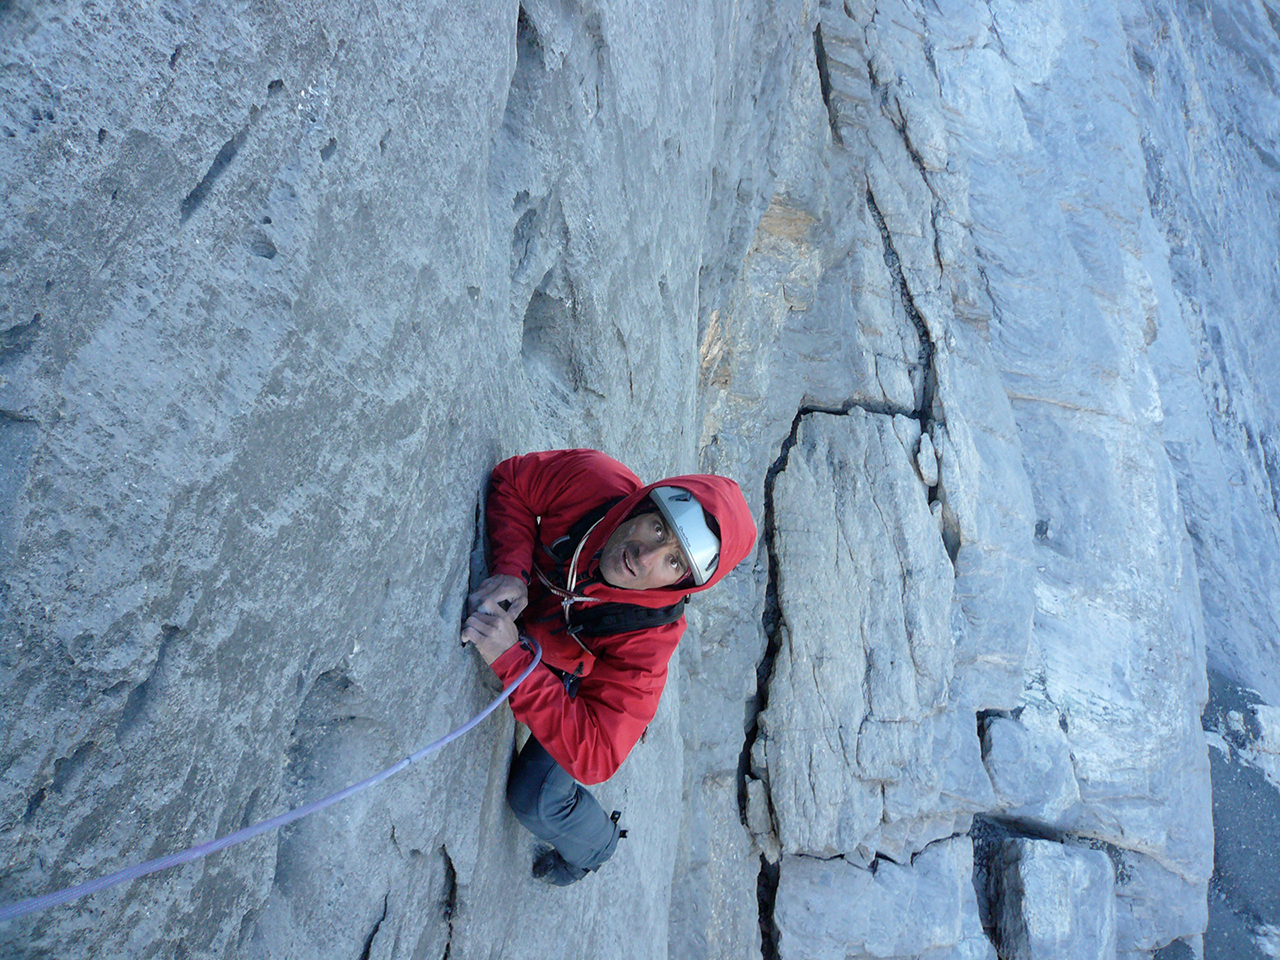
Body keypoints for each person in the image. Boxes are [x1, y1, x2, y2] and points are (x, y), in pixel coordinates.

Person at [461, 448, 757, 885]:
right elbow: (512, 481)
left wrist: (514, 663)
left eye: (673, 562)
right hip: (548, 637)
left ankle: (595, 846)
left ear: (682, 583)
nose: (646, 556)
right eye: (658, 528)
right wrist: (512, 569)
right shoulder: (596, 483)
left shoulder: (647, 641)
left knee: (536, 800)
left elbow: (597, 754)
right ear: (645, 504)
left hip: (578, 681)